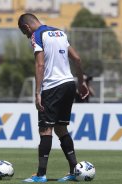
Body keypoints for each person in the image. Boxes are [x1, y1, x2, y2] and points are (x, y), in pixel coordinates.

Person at [18, 13, 89, 182]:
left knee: (45, 129)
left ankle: (41, 175)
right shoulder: (60, 32)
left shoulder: (37, 35)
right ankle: (74, 171)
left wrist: (37, 93)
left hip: (52, 86)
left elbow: (40, 64)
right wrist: (81, 82)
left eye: (24, 32)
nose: (26, 36)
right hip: (69, 84)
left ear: (27, 27)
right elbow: (77, 59)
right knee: (61, 128)